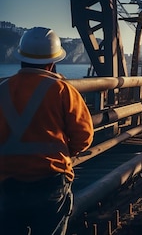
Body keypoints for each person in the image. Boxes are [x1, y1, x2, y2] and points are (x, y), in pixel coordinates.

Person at [0, 27, 94, 234]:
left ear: (20, 57)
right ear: (52, 62)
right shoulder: (63, 90)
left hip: (8, 182)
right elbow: (84, 135)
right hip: (50, 180)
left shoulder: (3, 89)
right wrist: (67, 153)